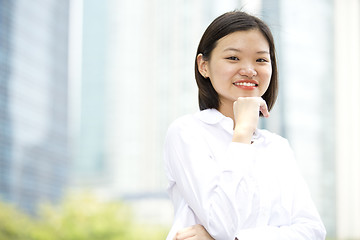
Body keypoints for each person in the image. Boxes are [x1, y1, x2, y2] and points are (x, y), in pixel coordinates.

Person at [164, 11, 326, 240]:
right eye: (233, 58)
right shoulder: (188, 132)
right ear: (204, 66)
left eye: (261, 59)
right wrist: (241, 133)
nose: (250, 70)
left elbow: (312, 231)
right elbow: (222, 225)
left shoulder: (277, 147)